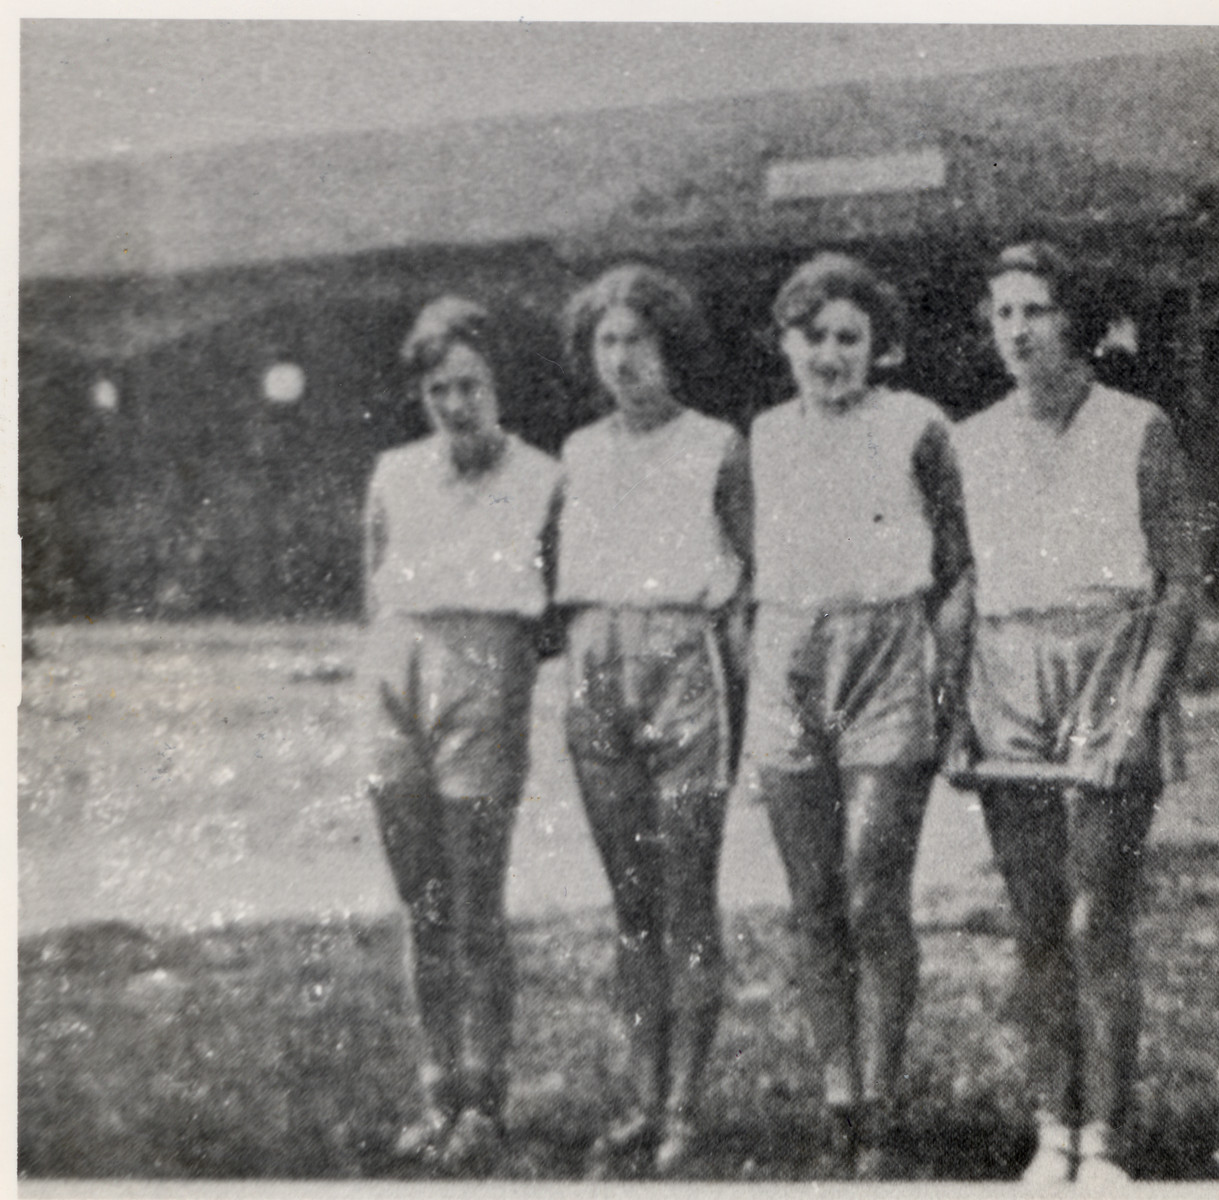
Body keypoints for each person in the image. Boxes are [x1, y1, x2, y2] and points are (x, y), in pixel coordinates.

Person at [947, 241, 1207, 1184]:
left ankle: (1105, 1137)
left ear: (1077, 322)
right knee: (1034, 919)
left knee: (1100, 913)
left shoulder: (1139, 427)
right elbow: (964, 583)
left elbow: (1180, 585)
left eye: (1037, 310)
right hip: (1008, 671)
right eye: (1003, 311)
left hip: (1112, 665)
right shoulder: (968, 441)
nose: (1017, 330)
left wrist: (1136, 712)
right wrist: (956, 709)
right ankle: (1050, 1124)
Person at [743, 252, 972, 1178]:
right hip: (789, 658)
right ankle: (836, 1089)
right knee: (812, 899)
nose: (830, 354)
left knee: (874, 885)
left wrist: (947, 683)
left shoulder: (917, 425)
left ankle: (881, 1095)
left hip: (886, 655)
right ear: (786, 343)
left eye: (849, 337)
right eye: (813, 337)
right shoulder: (758, 435)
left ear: (878, 348)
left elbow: (958, 563)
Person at [556, 264, 752, 1177]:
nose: (623, 359)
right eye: (607, 342)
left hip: (686, 660)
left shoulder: (716, 445)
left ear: (670, 348)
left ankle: (685, 1106)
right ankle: (641, 1097)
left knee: (685, 896)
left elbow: (750, 572)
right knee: (630, 905)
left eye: (638, 340)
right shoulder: (579, 452)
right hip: (595, 660)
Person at [360, 296, 563, 1171]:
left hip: (485, 669)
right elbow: (372, 582)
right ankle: (435, 1089)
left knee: (477, 905)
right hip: (397, 671)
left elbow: (555, 603)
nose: (456, 403)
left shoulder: (543, 476)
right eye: (439, 389)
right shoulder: (394, 473)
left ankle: (486, 1095)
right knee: (423, 906)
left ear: (498, 384)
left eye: (471, 384)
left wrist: (499, 665)